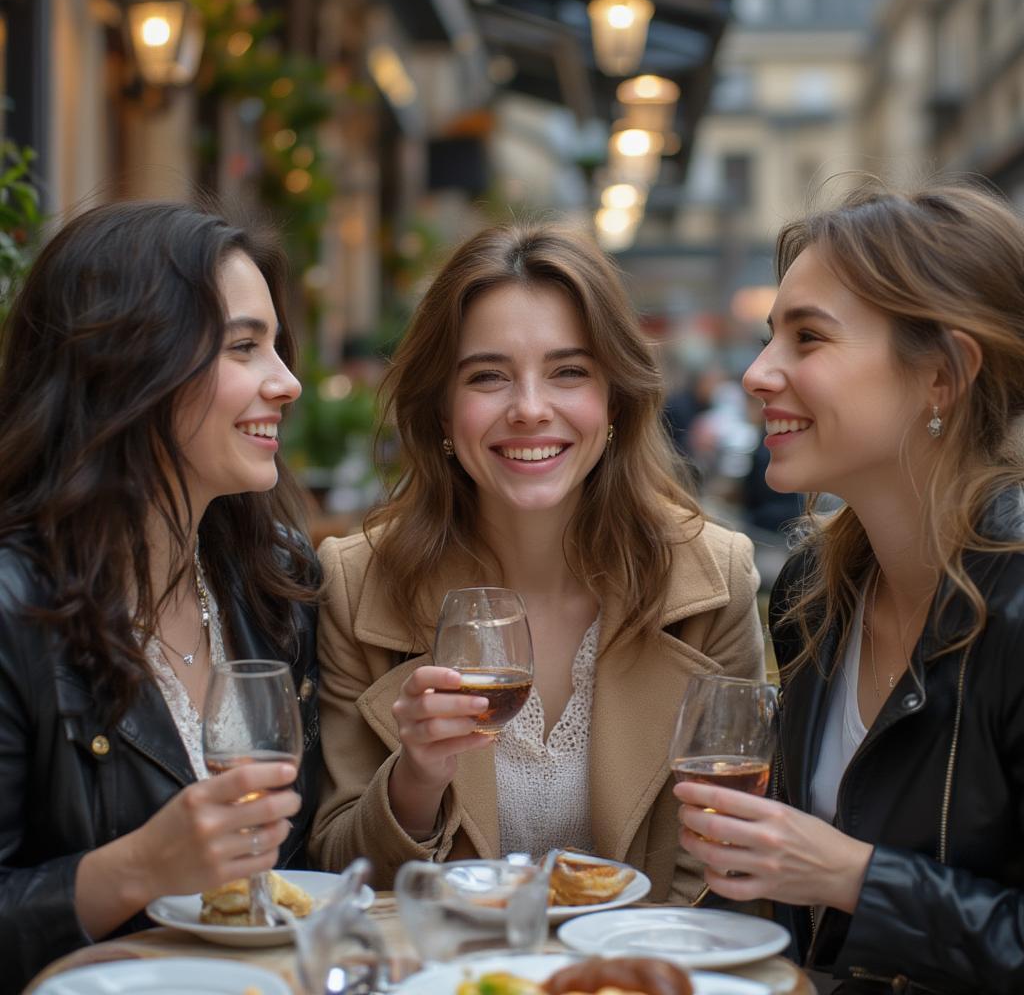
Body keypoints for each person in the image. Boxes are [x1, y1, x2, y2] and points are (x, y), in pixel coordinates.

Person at [311, 220, 764, 900]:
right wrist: (416, 779)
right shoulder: (355, 585)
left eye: (568, 372)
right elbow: (333, 876)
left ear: (614, 398)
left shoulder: (713, 579)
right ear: (440, 409)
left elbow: (726, 872)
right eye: (488, 376)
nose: (529, 409)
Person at [674, 182, 1024, 994]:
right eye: (771, 338)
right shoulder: (815, 592)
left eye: (808, 338)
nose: (759, 373)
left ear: (943, 374)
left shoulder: (1015, 604)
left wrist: (857, 878)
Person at [0, 201, 321, 991]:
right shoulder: (13, 609)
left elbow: (303, 871)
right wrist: (141, 866)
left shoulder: (273, 581)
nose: (289, 382)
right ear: (129, 364)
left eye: (276, 347)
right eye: (246, 347)